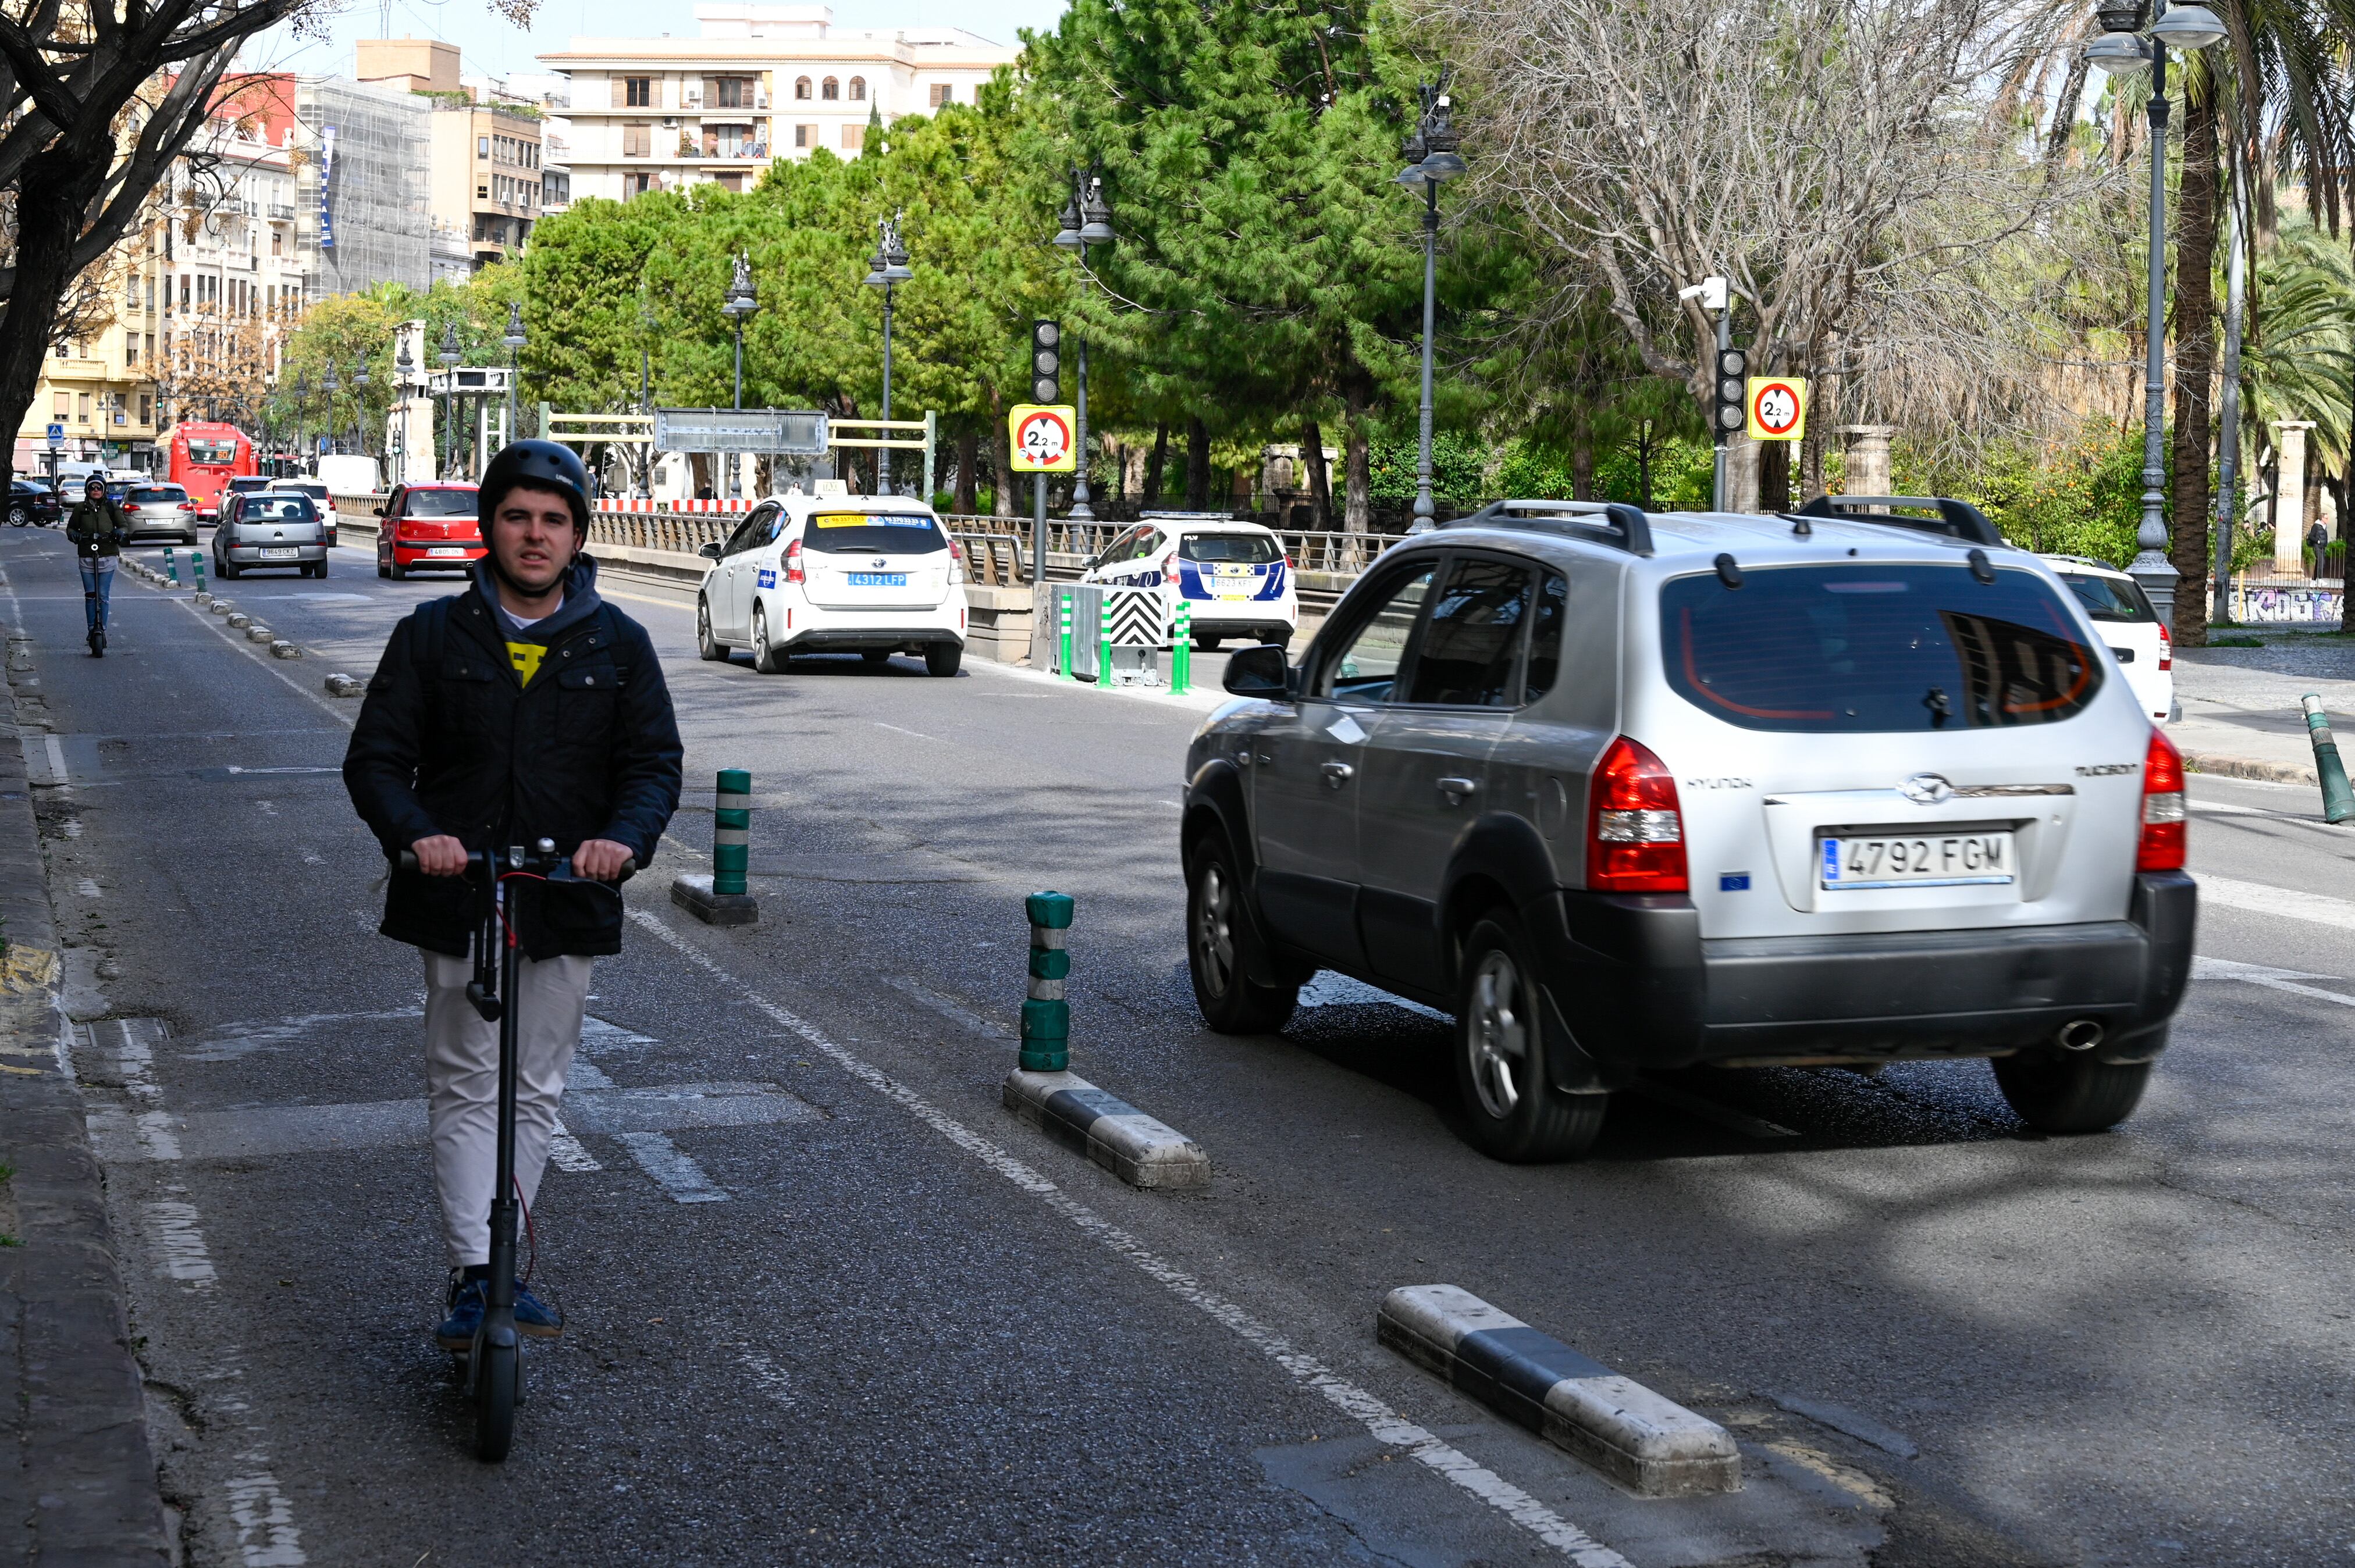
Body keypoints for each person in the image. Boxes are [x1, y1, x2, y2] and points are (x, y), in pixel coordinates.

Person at [343, 440, 683, 1349]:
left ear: (579, 535)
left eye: (554, 521)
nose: (536, 536)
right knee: (463, 1080)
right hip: (460, 892)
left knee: (535, 1085)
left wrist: (623, 841)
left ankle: (502, 1263)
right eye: (518, 517)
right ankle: (476, 1272)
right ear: (490, 525)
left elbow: (652, 766)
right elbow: (377, 761)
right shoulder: (429, 634)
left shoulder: (620, 643)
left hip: (565, 892)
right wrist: (419, 836)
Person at [64, 475, 130, 655]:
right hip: (86, 555)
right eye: (92, 488)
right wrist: (74, 536)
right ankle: (92, 628)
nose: (95, 491)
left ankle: (103, 628)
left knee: (103, 595)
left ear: (104, 490)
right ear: (87, 490)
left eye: (98, 488)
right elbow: (71, 529)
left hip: (107, 555)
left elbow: (124, 526)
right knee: (91, 595)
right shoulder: (80, 508)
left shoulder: (111, 507)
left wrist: (119, 532)